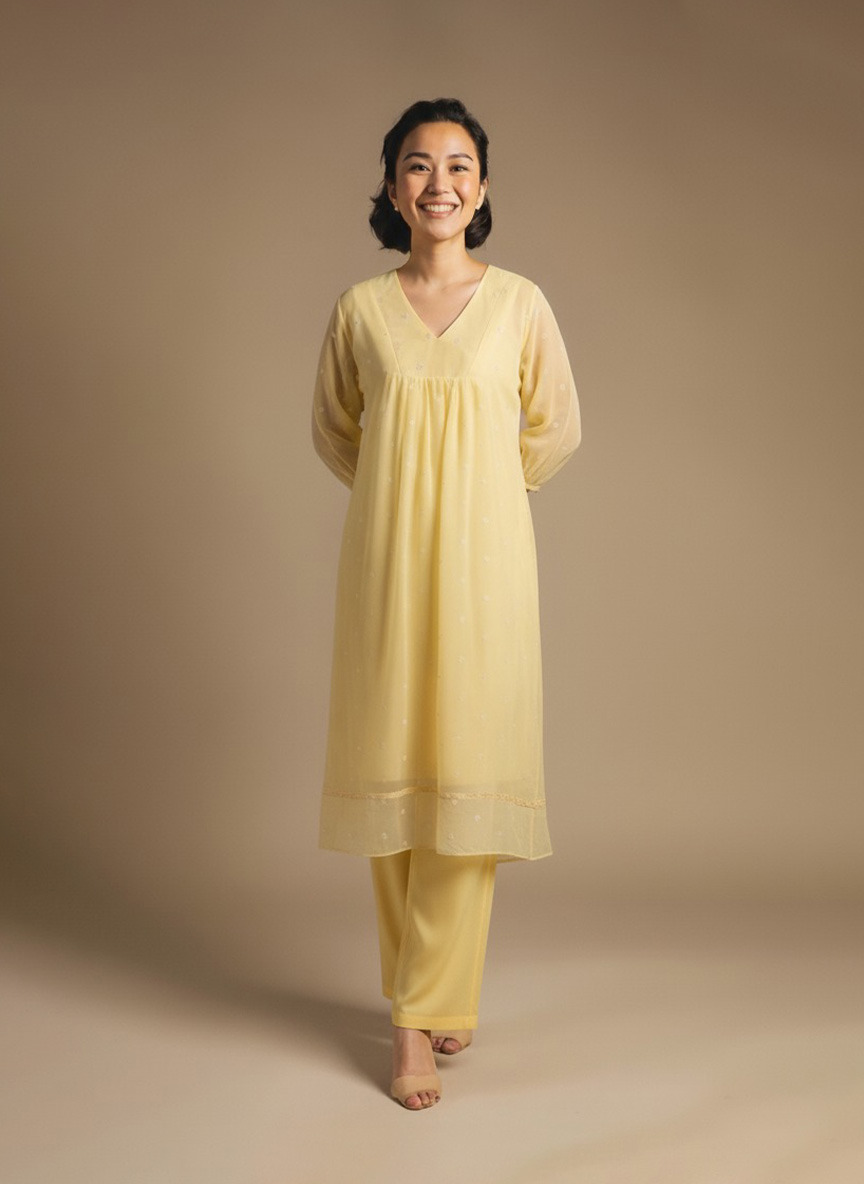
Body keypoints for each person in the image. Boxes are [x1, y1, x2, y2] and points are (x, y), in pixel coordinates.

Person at [311, 97, 581, 1110]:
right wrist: (402, 499)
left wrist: (476, 497)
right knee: (394, 787)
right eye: (417, 165)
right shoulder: (359, 310)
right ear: (391, 188)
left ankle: (425, 1003)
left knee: (469, 783)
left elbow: (555, 428)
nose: (438, 182)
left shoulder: (520, 304)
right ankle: (417, 1013)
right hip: (386, 572)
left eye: (458, 164)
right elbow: (338, 429)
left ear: (482, 186)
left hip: (489, 576)